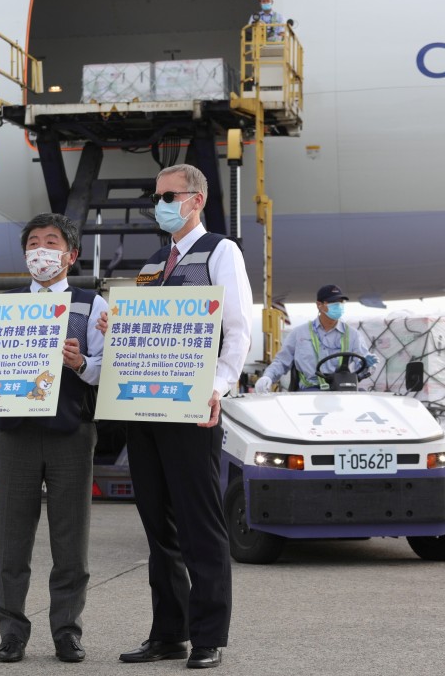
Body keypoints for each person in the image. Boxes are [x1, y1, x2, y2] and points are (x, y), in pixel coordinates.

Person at [0, 213, 107, 664]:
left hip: (71, 433)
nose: (41, 250)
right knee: (12, 542)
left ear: (71, 254)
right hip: (13, 436)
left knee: (72, 543)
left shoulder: (92, 305)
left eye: (52, 242)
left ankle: (67, 631)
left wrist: (80, 364)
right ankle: (12, 632)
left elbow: (110, 371)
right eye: (34, 242)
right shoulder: (0, 306)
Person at [98, 164, 253, 669]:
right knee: (158, 528)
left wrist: (218, 387)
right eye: (156, 195)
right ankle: (168, 632)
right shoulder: (151, 265)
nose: (159, 203)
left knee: (199, 525)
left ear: (196, 199)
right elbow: (139, 336)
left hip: (191, 411)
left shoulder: (220, 252)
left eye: (168, 195)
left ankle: (209, 635)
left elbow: (238, 331)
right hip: (143, 410)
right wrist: (112, 324)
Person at [254, 284, 378, 393]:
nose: (339, 306)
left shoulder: (353, 335)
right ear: (319, 305)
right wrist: (268, 377)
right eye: (333, 303)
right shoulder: (299, 334)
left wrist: (367, 364)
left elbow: (361, 368)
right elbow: (281, 362)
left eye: (341, 302)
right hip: (309, 392)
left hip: (342, 391)